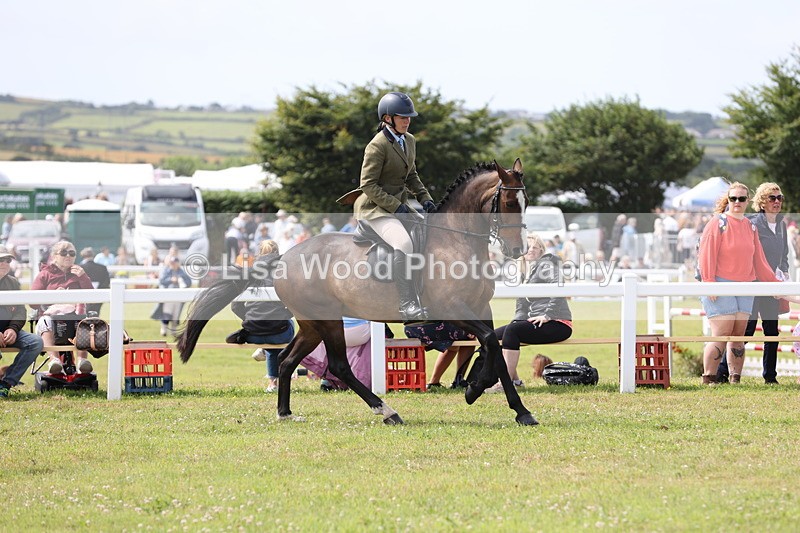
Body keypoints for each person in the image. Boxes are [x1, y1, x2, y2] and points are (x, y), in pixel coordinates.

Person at [337, 91, 436, 321]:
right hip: (375, 208)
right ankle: (407, 304)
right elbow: (367, 184)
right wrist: (396, 207)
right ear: (388, 118)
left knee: (427, 234)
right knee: (403, 242)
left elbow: (412, 175)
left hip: (396, 206)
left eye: (409, 117)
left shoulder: (409, 140)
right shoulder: (377, 145)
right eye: (402, 117)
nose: (407, 120)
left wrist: (425, 199)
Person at [697, 182, 779, 385]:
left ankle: (735, 377)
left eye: (742, 199)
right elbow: (706, 253)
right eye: (733, 198)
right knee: (721, 333)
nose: (737, 202)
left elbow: (759, 259)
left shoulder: (750, 226)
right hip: (720, 282)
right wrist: (709, 282)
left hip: (746, 284)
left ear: (747, 201)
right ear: (728, 199)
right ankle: (709, 377)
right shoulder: (718, 222)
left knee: (738, 334)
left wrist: (774, 283)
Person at [717, 183, 789, 384]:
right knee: (746, 332)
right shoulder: (752, 223)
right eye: (772, 198)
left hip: (772, 285)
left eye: (779, 198)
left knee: (772, 331)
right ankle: (722, 371)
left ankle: (770, 377)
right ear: (762, 202)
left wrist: (783, 269)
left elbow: (784, 254)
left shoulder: (782, 224)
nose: (777, 202)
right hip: (753, 282)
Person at [487, 232, 573, 393]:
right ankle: (516, 381)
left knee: (512, 331)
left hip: (557, 323)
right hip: (537, 321)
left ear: (541, 250)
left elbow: (559, 286)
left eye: (535, 247)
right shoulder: (524, 272)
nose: (531, 250)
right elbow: (521, 305)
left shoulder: (546, 265)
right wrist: (517, 321)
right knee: (493, 335)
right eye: (528, 247)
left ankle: (504, 384)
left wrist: (547, 315)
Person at [226, 240, 294, 392]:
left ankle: (272, 381)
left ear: (259, 253)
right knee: (286, 326)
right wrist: (285, 314)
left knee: (270, 340)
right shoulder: (283, 272)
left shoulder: (249, 272)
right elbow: (295, 303)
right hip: (280, 333)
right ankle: (276, 380)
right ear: (277, 253)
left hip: (253, 334)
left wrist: (249, 319)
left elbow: (235, 305)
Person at [31, 241, 95, 374]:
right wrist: (53, 296)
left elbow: (92, 298)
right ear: (54, 256)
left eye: (72, 253)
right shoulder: (45, 274)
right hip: (50, 318)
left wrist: (83, 277)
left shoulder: (79, 274)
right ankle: (54, 361)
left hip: (75, 317)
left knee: (85, 321)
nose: (68, 256)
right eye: (63, 253)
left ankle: (82, 361)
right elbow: (33, 303)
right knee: (45, 322)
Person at [0, 245, 45, 398]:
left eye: (7, 260)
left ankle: (5, 383)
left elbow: (20, 310)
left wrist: (13, 329)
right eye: (1, 259)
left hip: (9, 331)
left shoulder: (13, 282)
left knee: (35, 342)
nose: (4, 263)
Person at [404, 321, 476, 390]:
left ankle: (434, 382)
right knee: (471, 333)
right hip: (428, 328)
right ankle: (459, 380)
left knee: (454, 344)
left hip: (410, 329)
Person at [152, 256, 192, 336]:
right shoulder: (167, 271)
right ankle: (164, 329)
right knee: (167, 313)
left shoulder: (181, 272)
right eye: (172, 263)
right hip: (168, 296)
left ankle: (174, 330)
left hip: (179, 297)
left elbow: (189, 282)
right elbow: (162, 280)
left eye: (175, 263)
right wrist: (171, 280)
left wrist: (181, 280)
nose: (173, 265)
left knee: (176, 314)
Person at [79, 247, 110, 315]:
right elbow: (107, 282)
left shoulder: (80, 267)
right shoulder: (102, 267)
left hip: (84, 294)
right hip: (99, 293)